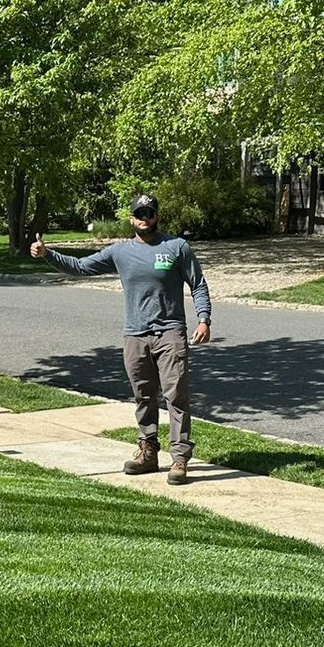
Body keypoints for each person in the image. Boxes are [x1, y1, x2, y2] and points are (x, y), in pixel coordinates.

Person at [32, 194, 210, 484]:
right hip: (135, 334)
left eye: (149, 212)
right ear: (131, 219)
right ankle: (148, 452)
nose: (144, 217)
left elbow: (198, 285)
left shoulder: (176, 247)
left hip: (170, 332)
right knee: (143, 396)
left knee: (176, 396)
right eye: (139, 213)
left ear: (156, 216)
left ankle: (179, 459)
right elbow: (80, 267)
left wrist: (204, 319)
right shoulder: (120, 252)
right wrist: (48, 254)